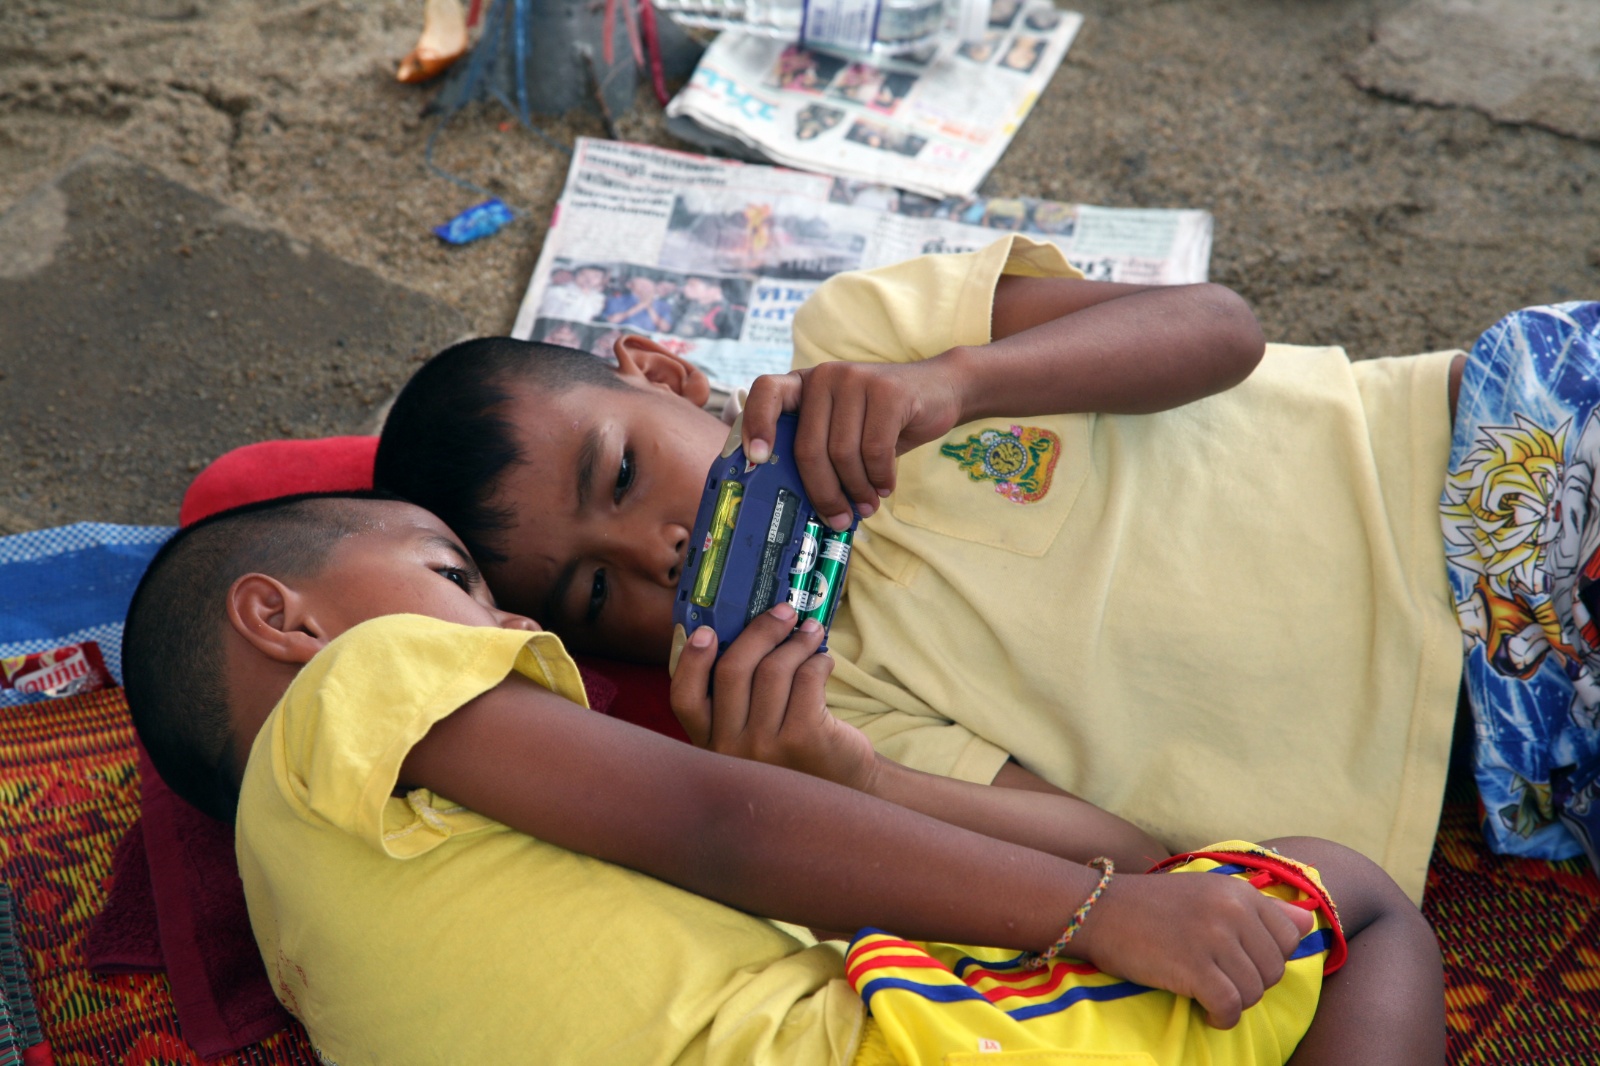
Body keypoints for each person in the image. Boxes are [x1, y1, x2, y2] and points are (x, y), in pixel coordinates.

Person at [370, 235, 1589, 900]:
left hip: (1501, 452)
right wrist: (843, 780)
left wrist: (955, 380)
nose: (657, 550)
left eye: (624, 475)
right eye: (595, 591)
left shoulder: (864, 337)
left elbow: (1220, 327)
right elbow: (1135, 859)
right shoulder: (821, 700)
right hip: (1513, 745)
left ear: (667, 375)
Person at [119, 492, 1445, 1065]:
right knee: (1352, 896)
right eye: (451, 572)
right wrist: (1095, 911)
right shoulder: (367, 681)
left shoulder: (307, 943)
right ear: (281, 620)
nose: (516, 633)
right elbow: (714, 820)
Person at [604, 274, 675, 332]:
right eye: (641, 284)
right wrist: (640, 306)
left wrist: (649, 307)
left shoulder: (662, 305)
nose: (646, 287)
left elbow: (665, 328)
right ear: (629, 285)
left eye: (649, 284)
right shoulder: (617, 299)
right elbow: (611, 321)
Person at [539, 264, 608, 323]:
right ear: (576, 275)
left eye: (596, 277)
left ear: (601, 280)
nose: (589, 279)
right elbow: (544, 316)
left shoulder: (599, 298)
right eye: (584, 275)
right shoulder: (558, 291)